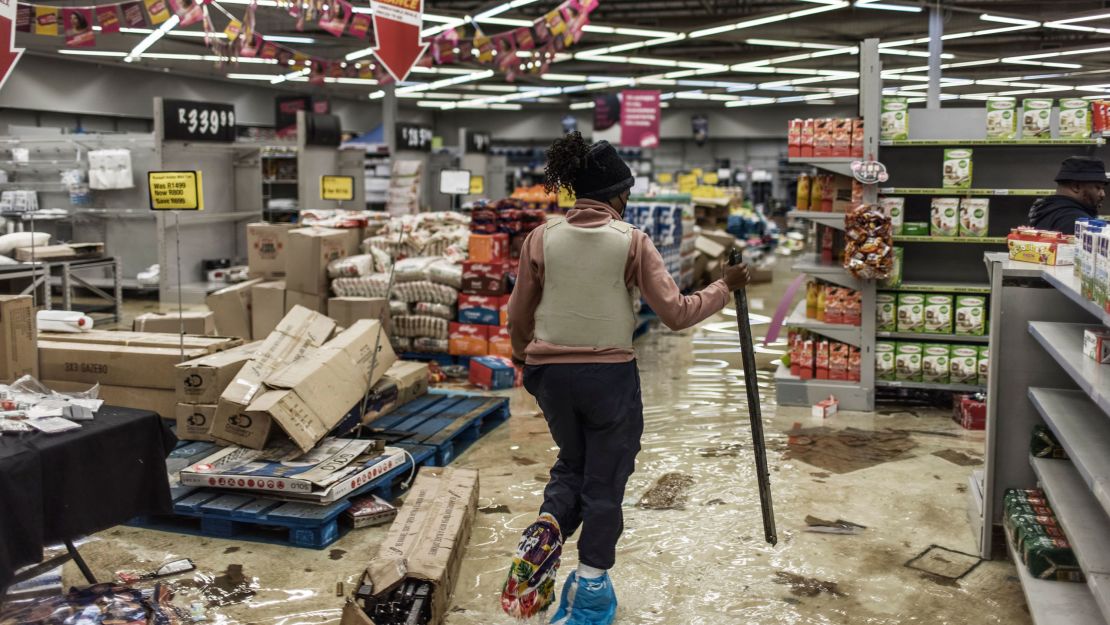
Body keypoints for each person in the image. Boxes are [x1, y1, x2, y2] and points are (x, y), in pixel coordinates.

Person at [499, 132, 751, 625]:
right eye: (626, 191)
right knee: (605, 482)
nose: (628, 199)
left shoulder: (540, 238)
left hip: (550, 375)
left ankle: (549, 525)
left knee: (573, 463)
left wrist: (526, 364)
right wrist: (725, 285)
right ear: (615, 194)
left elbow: (518, 314)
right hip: (608, 377)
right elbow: (676, 313)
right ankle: (590, 591)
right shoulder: (632, 240)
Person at [1028, 156, 1108, 233]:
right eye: (1098, 188)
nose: (1103, 194)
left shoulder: (1044, 209)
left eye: (1103, 189)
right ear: (1076, 187)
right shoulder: (1079, 224)